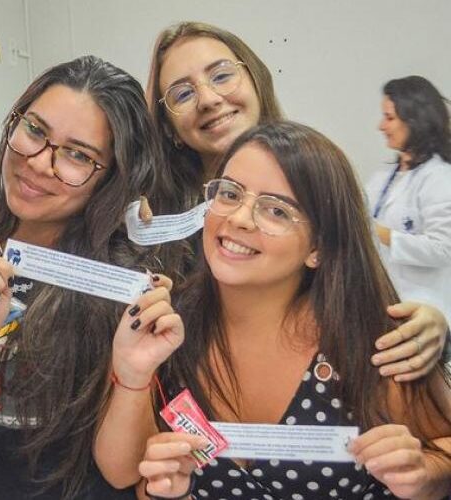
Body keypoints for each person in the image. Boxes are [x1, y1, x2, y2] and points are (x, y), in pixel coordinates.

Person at [99, 121, 451, 499]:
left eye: (276, 211)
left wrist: (425, 475)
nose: (239, 218)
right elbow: (125, 474)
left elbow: (442, 449)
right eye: (230, 193)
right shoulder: (169, 327)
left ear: (318, 248)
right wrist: (133, 375)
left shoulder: (370, 342)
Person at [0, 55, 176, 499]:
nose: (41, 163)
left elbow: (122, 473)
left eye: (78, 155)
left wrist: (133, 371)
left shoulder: (125, 283)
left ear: (112, 178)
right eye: (35, 130)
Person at [141, 21, 448, 382]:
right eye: (182, 94)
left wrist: (432, 322)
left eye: (221, 75)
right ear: (169, 128)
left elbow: (380, 296)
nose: (208, 99)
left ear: (256, 79)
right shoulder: (152, 218)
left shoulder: (326, 182)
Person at [366, 76, 451, 335]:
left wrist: (381, 233)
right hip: (379, 306)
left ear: (415, 119)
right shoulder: (383, 177)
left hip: (423, 313)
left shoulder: (440, 178)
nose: (381, 126)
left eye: (389, 118)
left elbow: (443, 249)